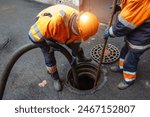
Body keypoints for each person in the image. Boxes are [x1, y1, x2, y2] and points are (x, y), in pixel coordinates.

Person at [28, 4, 99, 91]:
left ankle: (81, 58)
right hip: (50, 30)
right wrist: (46, 47)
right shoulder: (53, 23)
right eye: (82, 34)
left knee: (76, 45)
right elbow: (32, 35)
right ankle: (55, 78)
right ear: (78, 27)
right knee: (49, 56)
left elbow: (76, 42)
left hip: (65, 32)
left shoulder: (82, 23)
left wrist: (74, 55)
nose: (82, 37)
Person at [104, 0, 150, 90]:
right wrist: (120, 7)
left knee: (130, 60)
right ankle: (121, 67)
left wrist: (111, 32)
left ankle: (129, 79)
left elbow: (125, 24)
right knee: (124, 51)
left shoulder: (139, 1)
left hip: (141, 37)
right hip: (136, 31)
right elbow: (129, 4)